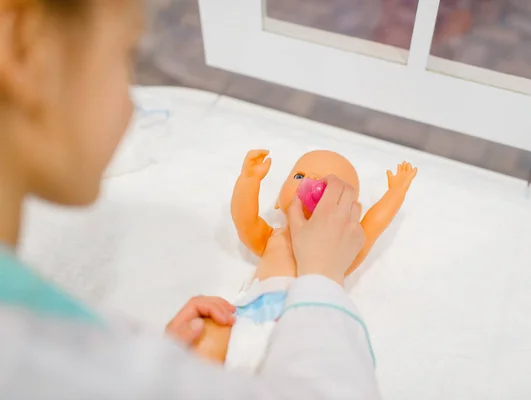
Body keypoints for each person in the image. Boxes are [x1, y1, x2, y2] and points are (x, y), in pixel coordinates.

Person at [0, 1, 380, 398]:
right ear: (26, 47)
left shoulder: (52, 350)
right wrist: (321, 276)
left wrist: (157, 376)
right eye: (124, 55)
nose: (132, 106)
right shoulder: (48, 356)